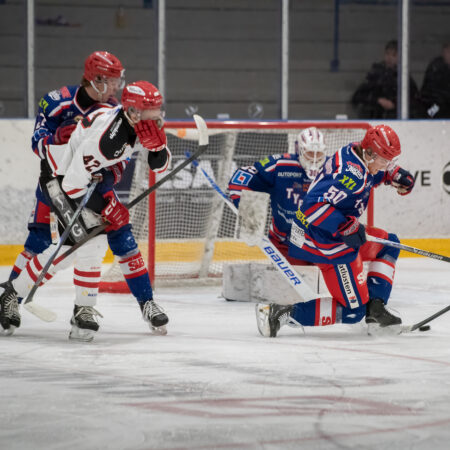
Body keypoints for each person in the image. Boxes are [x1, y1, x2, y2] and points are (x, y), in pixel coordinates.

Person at [0, 80, 171, 340]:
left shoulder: (142, 124)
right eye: (151, 111)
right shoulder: (107, 140)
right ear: (133, 112)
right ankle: (18, 295)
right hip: (58, 177)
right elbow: (72, 184)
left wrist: (158, 148)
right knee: (80, 245)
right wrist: (108, 206)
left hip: (88, 179)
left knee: (88, 243)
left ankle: (73, 307)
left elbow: (160, 166)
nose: (156, 116)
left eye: (158, 109)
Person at [257, 125, 415, 337]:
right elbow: (311, 206)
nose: (387, 165)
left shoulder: (356, 153)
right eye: (385, 160)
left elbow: (369, 176)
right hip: (324, 242)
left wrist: (392, 175)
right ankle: (281, 313)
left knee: (389, 244)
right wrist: (344, 226)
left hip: (328, 235)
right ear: (369, 154)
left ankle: (375, 309)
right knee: (354, 311)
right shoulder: (350, 175)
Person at [10, 50, 126, 283]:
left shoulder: (113, 111)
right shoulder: (57, 102)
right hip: (52, 183)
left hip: (86, 188)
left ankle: (81, 301)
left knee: (91, 244)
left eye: (117, 81)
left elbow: (121, 156)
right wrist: (55, 139)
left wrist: (110, 175)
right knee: (39, 240)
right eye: (112, 81)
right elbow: (37, 144)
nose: (116, 87)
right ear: (96, 79)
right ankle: (10, 294)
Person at [228, 127, 327, 263]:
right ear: (299, 150)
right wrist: (244, 206)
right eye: (310, 153)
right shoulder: (280, 164)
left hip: (322, 245)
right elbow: (242, 177)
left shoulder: (334, 170)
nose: (314, 159)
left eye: (319, 154)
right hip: (284, 243)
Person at [351, 40, 420, 119]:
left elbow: (414, 101)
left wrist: (395, 104)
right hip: (376, 119)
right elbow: (358, 97)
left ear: (400, 57)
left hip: (396, 120)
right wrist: (378, 100)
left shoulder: (404, 77)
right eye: (387, 53)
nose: (389, 58)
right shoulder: (375, 75)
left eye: (394, 55)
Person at [420, 42, 450, 119]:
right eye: (447, 52)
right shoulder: (435, 67)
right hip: (436, 104)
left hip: (444, 104)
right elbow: (429, 90)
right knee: (430, 115)